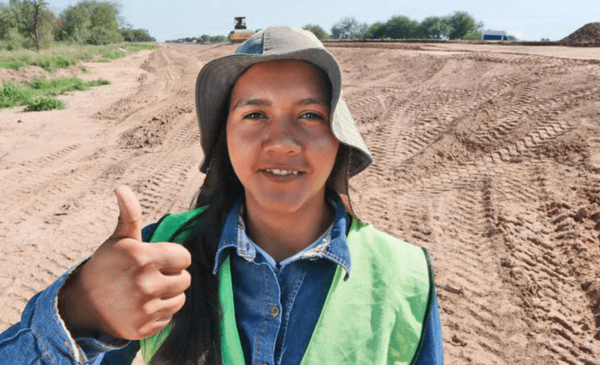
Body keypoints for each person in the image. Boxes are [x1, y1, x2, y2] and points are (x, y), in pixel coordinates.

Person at [0, 26, 444, 365]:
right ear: (224, 142)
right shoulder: (161, 255)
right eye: (255, 114)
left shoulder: (407, 276)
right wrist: (82, 315)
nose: (282, 141)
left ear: (339, 140)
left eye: (309, 114)